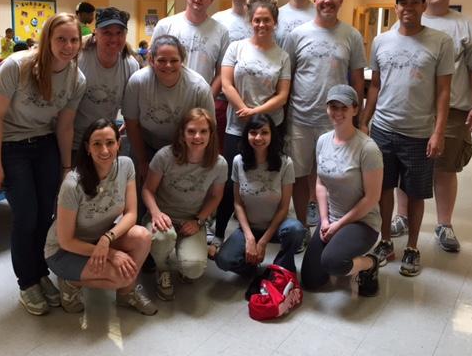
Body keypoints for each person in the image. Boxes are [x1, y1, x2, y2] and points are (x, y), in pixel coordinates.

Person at [0, 13, 86, 315]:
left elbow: (65, 126)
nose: (68, 46)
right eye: (61, 39)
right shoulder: (16, 67)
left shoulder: (76, 79)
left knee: (45, 216)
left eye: (74, 40)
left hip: (45, 146)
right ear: (47, 39)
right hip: (11, 147)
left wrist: (66, 169)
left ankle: (41, 273)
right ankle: (26, 282)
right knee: (26, 217)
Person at [389, 0, 472, 253]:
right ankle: (401, 216)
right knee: (405, 167)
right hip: (411, 110)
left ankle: (444, 224)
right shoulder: (404, 22)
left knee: (445, 169)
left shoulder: (467, 27)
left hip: (453, 111)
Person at [360, 0, 454, 277]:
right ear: (396, 7)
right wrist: (364, 120)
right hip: (383, 129)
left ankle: (412, 246)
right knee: (383, 189)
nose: (409, 7)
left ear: (423, 6)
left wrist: (438, 132)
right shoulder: (381, 41)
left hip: (419, 133)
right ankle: (386, 241)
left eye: (415, 1)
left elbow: (444, 91)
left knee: (415, 193)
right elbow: (375, 85)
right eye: (404, 2)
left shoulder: (440, 41)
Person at [44, 119, 157, 315]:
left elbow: (131, 214)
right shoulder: (72, 184)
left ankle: (126, 293)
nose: (104, 150)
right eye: (97, 144)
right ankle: (70, 282)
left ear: (118, 144)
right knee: (122, 277)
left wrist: (107, 239)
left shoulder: (126, 165)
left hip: (99, 239)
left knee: (143, 236)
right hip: (64, 251)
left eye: (110, 142)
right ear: (87, 148)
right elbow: (66, 241)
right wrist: (111, 254)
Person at [283, 0, 366, 231]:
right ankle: (300, 227)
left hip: (336, 122)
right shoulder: (296, 35)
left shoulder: (352, 35)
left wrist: (358, 119)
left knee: (331, 176)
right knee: (299, 175)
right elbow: (286, 78)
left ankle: (327, 226)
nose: (327, 0)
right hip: (300, 119)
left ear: (341, 0)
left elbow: (357, 81)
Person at [212, 0, 291, 255]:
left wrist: (257, 114)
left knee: (266, 179)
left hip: (270, 129)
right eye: (257, 19)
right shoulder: (236, 48)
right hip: (237, 126)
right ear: (250, 20)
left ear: (275, 22)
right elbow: (226, 83)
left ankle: (265, 232)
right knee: (230, 180)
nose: (261, 24)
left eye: (267, 20)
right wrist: (244, 110)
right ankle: (219, 232)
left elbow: (282, 95)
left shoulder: (282, 56)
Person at [300, 85, 383, 296]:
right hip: (331, 219)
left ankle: (369, 263)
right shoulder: (323, 141)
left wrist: (339, 225)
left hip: (362, 222)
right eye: (333, 107)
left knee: (333, 262)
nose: (337, 112)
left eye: (343, 107)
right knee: (310, 280)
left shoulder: (368, 148)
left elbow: (372, 198)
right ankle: (340, 253)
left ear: (355, 109)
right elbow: (320, 183)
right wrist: (324, 220)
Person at [142, 108, 227, 301]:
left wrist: (199, 220)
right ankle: (162, 268)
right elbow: (147, 189)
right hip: (163, 216)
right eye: (191, 131)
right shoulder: (165, 156)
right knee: (163, 239)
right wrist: (155, 213)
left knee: (194, 269)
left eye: (203, 131)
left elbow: (216, 196)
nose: (197, 137)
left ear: (211, 134)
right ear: (182, 133)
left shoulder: (219, 163)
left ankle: (184, 264)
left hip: (191, 219)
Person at [215, 114, 306, 277]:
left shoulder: (285, 163)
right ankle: (251, 267)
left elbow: (284, 207)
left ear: (272, 135)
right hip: (250, 227)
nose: (258, 138)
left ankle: (281, 267)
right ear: (246, 135)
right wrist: (250, 238)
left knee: (296, 230)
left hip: (278, 226)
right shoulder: (238, 161)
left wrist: (263, 242)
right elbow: (238, 204)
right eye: (253, 133)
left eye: (264, 132)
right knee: (223, 260)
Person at [123, 34, 215, 183]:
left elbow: (210, 128)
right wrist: (142, 160)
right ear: (151, 60)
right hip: (145, 144)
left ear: (182, 60)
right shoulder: (138, 82)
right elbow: (131, 123)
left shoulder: (199, 87)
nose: (168, 66)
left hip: (183, 148)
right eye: (161, 60)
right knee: (142, 187)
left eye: (174, 60)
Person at [73, 7, 139, 156]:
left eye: (119, 33)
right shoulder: (78, 58)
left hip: (105, 143)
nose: (114, 39)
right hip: (75, 141)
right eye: (107, 33)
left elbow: (130, 109)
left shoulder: (131, 65)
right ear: (95, 33)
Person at [152, 0, 229, 99]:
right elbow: (151, 63)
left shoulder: (221, 32)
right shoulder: (165, 26)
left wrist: (207, 99)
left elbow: (221, 74)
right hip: (164, 98)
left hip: (200, 100)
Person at [212, 0, 255, 151]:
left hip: (253, 99)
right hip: (223, 98)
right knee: (223, 152)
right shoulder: (217, 20)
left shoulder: (259, 19)